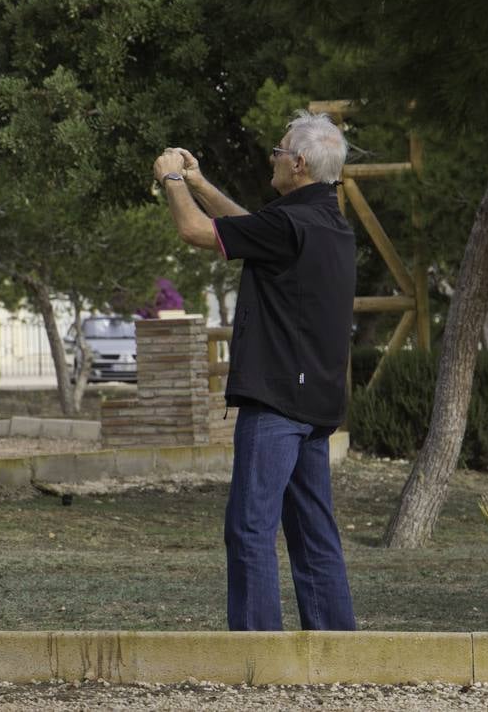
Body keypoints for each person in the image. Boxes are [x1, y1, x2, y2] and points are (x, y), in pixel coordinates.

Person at [152, 111, 357, 632]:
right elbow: (248, 229)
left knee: (249, 528)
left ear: (300, 164)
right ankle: (337, 646)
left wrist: (172, 179)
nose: (274, 157)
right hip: (316, 405)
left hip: (277, 404)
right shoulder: (327, 223)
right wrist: (201, 181)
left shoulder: (291, 224)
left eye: (279, 150)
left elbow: (196, 231)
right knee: (314, 534)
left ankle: (256, 652)